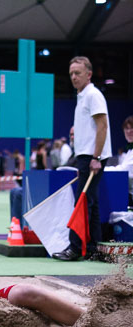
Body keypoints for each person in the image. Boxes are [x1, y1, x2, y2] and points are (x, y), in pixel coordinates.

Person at [53, 56, 112, 261]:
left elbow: (102, 126)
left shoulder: (93, 95)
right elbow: (93, 126)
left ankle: (75, 248)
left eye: (77, 73)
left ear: (89, 74)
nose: (73, 77)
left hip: (92, 156)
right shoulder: (83, 96)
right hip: (85, 156)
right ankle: (95, 249)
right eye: (71, 74)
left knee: (82, 202)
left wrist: (96, 157)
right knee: (91, 203)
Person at [104, 115, 133, 207]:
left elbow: (124, 171)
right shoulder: (130, 151)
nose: (129, 131)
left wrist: (101, 170)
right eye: (126, 128)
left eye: (132, 128)